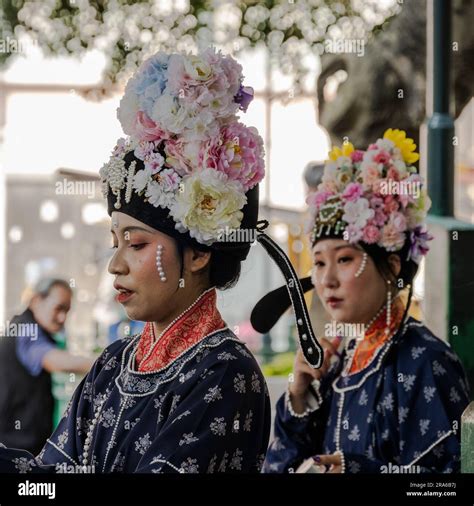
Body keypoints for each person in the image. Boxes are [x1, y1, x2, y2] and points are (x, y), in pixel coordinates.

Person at [0, 48, 318, 473]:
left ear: (200, 251)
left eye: (136, 244)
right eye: (115, 242)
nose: (115, 264)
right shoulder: (113, 363)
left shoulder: (225, 375)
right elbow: (47, 477)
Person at [258, 129, 470, 473]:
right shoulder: (337, 359)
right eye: (320, 262)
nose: (326, 280)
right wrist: (299, 397)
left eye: (344, 260)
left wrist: (357, 470)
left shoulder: (427, 363)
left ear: (392, 266)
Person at [0, 278, 95, 455]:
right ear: (36, 301)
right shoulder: (26, 329)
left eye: (67, 311)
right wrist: (107, 361)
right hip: (16, 447)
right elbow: (52, 360)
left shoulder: (27, 327)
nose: (62, 318)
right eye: (58, 308)